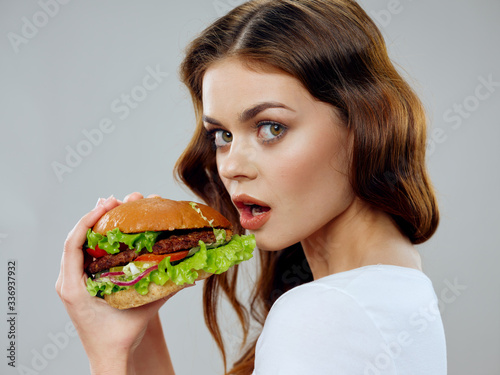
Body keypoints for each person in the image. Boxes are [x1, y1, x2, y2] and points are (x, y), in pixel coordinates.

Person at [56, 0, 447, 374]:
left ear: (366, 124)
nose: (231, 167)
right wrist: (136, 341)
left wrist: (105, 359)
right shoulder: (391, 289)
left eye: (271, 128)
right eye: (222, 135)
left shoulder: (324, 314)